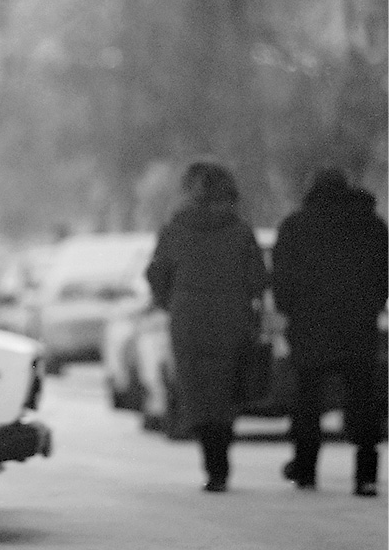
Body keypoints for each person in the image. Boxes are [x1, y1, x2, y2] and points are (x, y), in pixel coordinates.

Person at [145, 160, 268, 492]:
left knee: (197, 390)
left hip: (189, 320)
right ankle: (221, 458)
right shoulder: (240, 230)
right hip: (233, 319)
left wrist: (167, 300)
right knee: (227, 390)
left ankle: (212, 464)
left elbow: (157, 272)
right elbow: (258, 278)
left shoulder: (176, 229)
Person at [271, 168, 388, 497]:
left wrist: (290, 309)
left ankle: (306, 469)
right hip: (358, 326)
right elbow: (383, 274)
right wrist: (371, 306)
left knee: (308, 400)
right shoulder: (372, 225)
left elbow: (282, 277)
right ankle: (366, 473)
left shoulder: (296, 226)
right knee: (363, 400)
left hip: (310, 326)